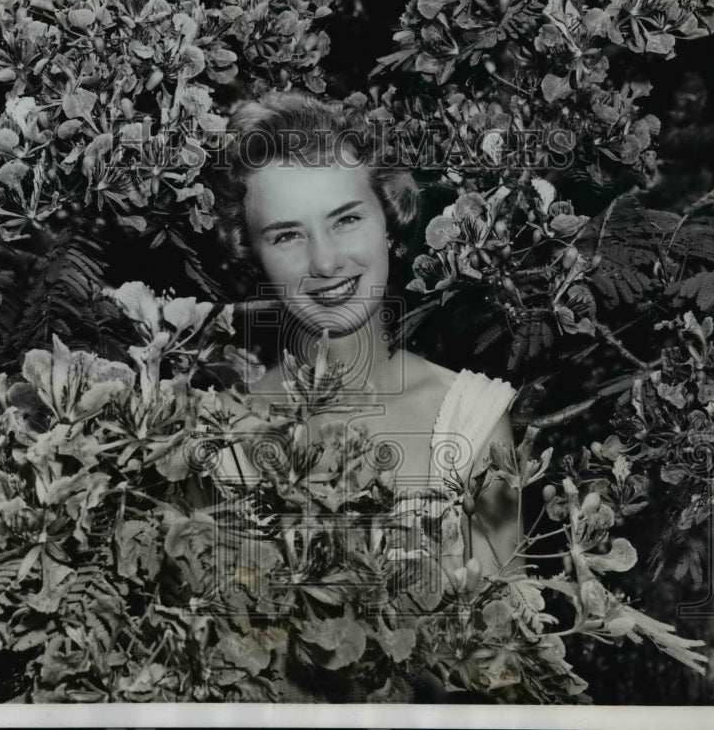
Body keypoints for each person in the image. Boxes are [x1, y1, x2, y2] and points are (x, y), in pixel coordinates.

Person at [211, 90, 518, 585]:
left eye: (347, 220)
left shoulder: (469, 421)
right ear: (253, 255)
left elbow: (509, 645)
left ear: (389, 224)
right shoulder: (222, 433)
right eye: (287, 235)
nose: (326, 262)